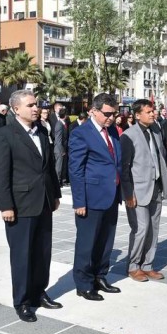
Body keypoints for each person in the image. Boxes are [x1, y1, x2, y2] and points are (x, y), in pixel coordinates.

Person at [0, 89, 63, 322]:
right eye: (31, 105)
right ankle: (22, 301)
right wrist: (5, 206)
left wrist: (55, 194)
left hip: (43, 201)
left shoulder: (42, 131)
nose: (36, 108)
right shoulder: (5, 134)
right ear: (16, 109)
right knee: (22, 255)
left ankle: (38, 292)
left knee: (42, 252)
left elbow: (49, 167)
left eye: (37, 104)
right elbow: (0, 174)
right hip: (20, 205)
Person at [69, 93, 123, 301]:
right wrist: (79, 201)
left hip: (111, 195)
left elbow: (115, 162)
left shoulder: (113, 132)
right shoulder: (81, 133)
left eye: (114, 114)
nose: (111, 118)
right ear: (94, 110)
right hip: (91, 198)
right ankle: (83, 284)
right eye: (107, 114)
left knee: (105, 241)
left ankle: (100, 276)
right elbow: (76, 170)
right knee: (86, 243)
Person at [120, 99, 167, 282]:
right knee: (140, 228)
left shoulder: (156, 131)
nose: (152, 114)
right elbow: (124, 168)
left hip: (156, 187)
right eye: (148, 111)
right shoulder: (128, 135)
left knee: (153, 228)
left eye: (153, 111)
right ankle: (134, 266)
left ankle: (148, 265)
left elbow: (159, 157)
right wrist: (128, 194)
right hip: (138, 190)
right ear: (137, 115)